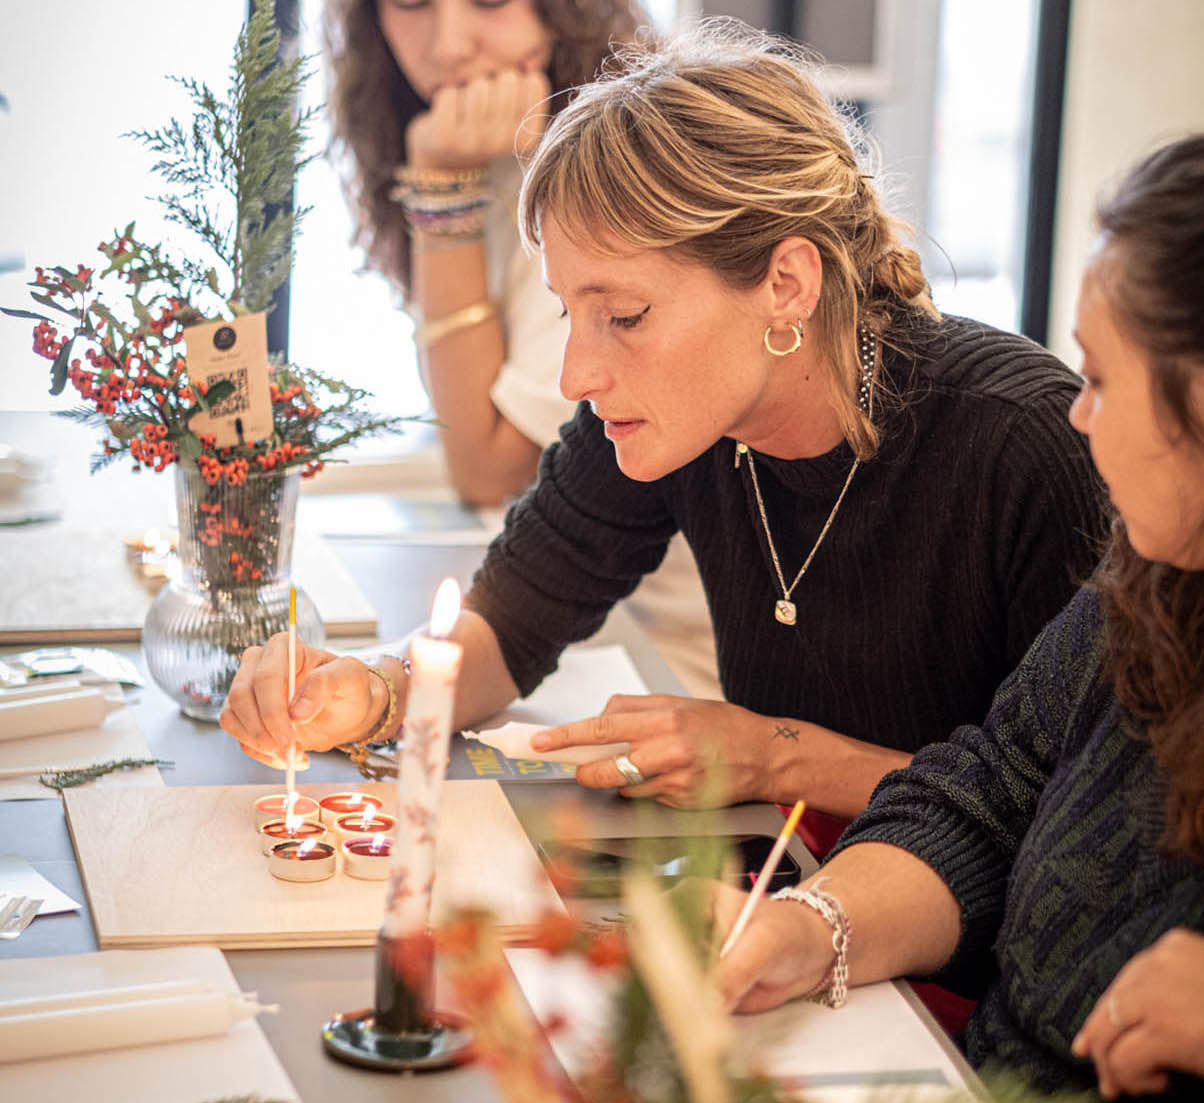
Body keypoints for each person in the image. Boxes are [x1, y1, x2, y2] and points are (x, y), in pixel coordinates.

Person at [714, 122, 1204, 1103]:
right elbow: (987, 788)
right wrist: (814, 924)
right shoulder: (1161, 574)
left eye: (1101, 378)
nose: (1078, 416)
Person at [221, 22, 1106, 822]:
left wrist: (771, 757)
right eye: (570, 312)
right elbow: (509, 624)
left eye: (626, 316)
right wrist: (371, 688)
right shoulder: (678, 417)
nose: (577, 373)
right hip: (787, 871)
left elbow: (1071, 813)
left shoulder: (1021, 442)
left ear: (786, 284)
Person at [326, 0, 722, 697]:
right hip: (594, 612)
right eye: (411, 4)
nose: (449, 45)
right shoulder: (498, 156)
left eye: (487, 0)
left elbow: (486, 463)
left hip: (685, 653)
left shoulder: (618, 169)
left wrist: (440, 185)